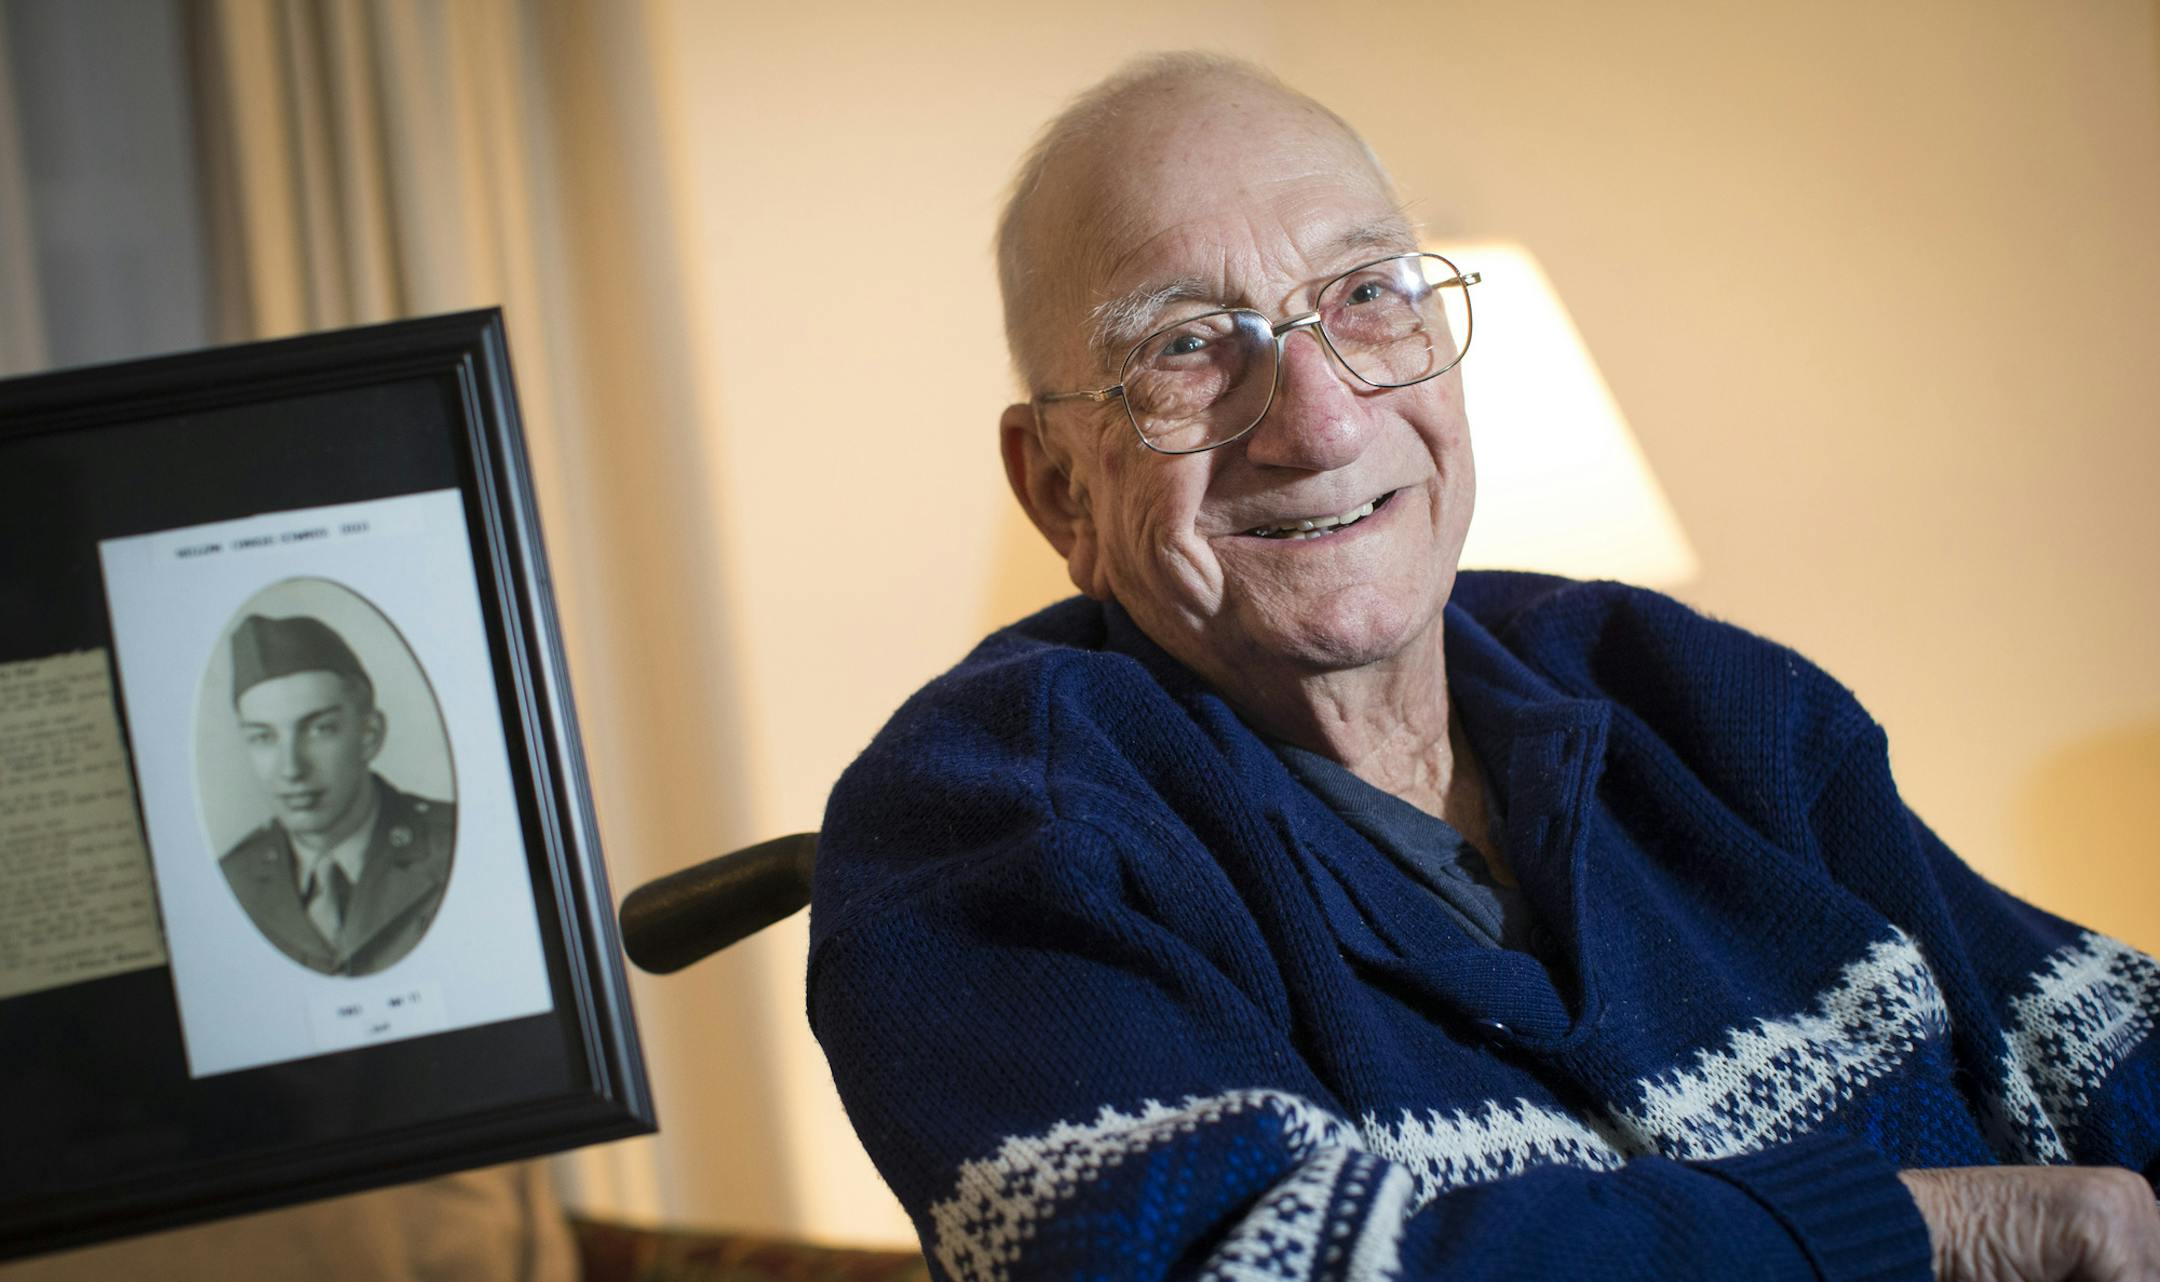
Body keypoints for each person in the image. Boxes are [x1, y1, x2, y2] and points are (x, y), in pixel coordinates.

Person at [808, 54, 2160, 1282]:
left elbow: (2100, 1047)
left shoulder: (1681, 690)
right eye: (1185, 346)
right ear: (1059, 487)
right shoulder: (984, 826)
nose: (1321, 423)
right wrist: (1940, 1228)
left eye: (1365, 295)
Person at [217, 613, 453, 978]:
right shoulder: (232, 881)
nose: (291, 768)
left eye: (320, 729)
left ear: (369, 735)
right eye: (263, 737)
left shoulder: (453, 844)